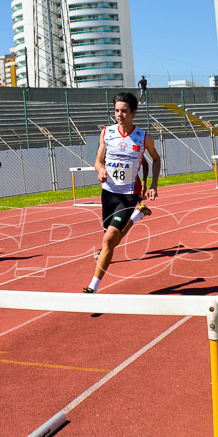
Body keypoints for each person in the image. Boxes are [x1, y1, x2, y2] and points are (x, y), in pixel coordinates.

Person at [84, 92, 161, 293]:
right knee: (110, 239)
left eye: (124, 111)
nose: (120, 115)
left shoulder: (144, 137)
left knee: (109, 240)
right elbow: (98, 161)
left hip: (129, 193)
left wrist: (152, 185)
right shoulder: (106, 133)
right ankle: (137, 217)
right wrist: (100, 170)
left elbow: (155, 159)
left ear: (134, 112)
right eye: (117, 111)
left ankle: (93, 286)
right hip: (108, 192)